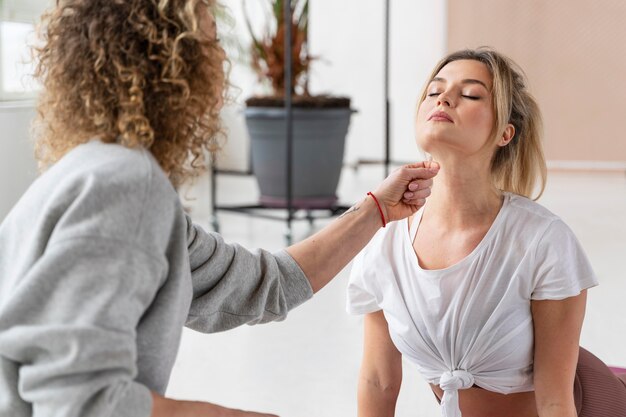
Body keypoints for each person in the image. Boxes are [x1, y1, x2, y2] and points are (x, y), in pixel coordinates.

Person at [0, 1, 440, 416]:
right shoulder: (125, 186)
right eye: (209, 42)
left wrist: (375, 211)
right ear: (169, 58)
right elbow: (81, 404)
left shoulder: (94, 171)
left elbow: (260, 284)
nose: (220, 59)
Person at [347, 48, 626, 417]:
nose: (444, 98)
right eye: (435, 91)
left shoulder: (542, 241)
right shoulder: (385, 244)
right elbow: (378, 381)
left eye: (471, 94)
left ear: (505, 133)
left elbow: (556, 400)